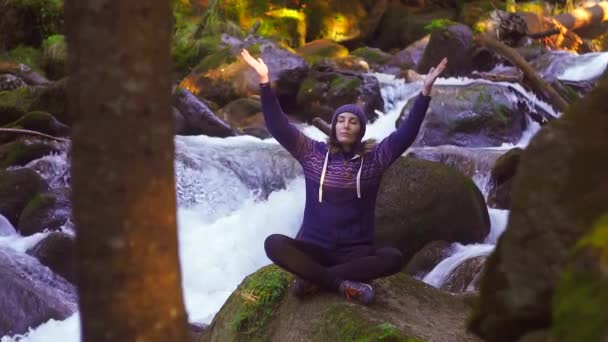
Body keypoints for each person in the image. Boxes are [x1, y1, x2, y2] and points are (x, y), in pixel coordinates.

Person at [241, 49, 447, 305]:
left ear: (361, 129)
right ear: (335, 126)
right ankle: (339, 284)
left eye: (353, 122)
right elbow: (277, 126)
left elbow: (406, 133)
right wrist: (264, 81)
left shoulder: (375, 159)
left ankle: (313, 280)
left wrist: (425, 92)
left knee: (393, 257)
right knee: (274, 244)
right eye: (341, 121)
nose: (346, 125)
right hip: (314, 249)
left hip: (354, 255)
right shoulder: (313, 154)